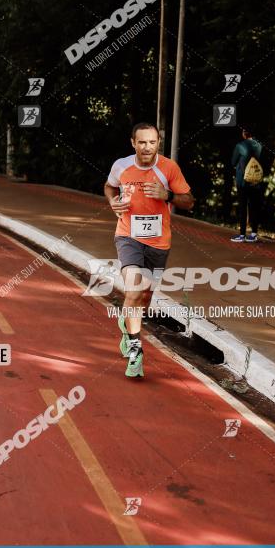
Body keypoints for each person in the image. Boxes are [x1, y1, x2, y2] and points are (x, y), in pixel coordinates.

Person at [104, 123, 194, 379]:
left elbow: (189, 200)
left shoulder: (168, 168)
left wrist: (167, 195)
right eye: (142, 142)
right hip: (128, 236)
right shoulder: (121, 166)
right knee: (134, 289)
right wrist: (112, 201)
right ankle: (135, 351)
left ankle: (126, 324)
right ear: (133, 142)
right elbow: (109, 186)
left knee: (144, 298)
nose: (147, 147)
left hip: (158, 242)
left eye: (152, 142)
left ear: (158, 143)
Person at [231, 126, 263, 243]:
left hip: (243, 181)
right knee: (254, 206)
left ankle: (242, 235)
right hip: (256, 180)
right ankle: (254, 234)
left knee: (243, 207)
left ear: (244, 133)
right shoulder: (259, 145)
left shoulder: (240, 146)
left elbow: (233, 162)